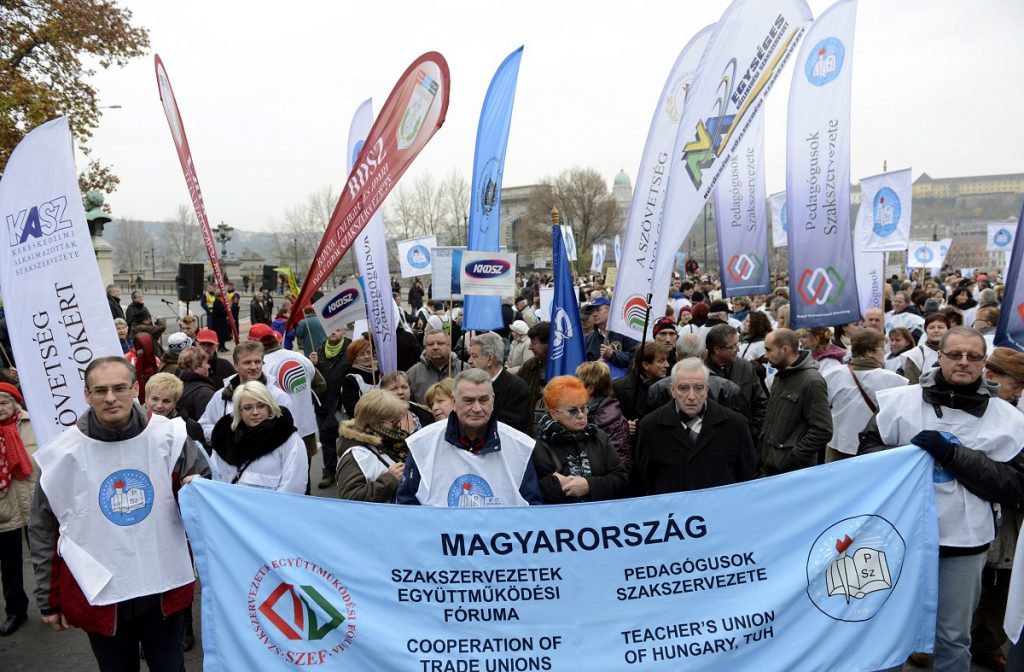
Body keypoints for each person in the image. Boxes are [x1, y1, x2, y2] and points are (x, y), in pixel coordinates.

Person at [859, 327, 1024, 672]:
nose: (964, 362)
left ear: (984, 364)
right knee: (889, 628)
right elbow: (867, 456)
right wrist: (903, 458)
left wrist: (953, 456)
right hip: (900, 537)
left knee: (952, 637)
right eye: (955, 354)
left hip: (964, 542)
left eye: (974, 356)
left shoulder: (1009, 420)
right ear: (940, 356)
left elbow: (1015, 487)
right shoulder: (900, 402)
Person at [29, 357, 209, 671]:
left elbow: (205, 507)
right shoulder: (61, 455)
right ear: (87, 394)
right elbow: (45, 530)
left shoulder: (171, 438)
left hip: (162, 592)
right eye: (100, 390)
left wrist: (196, 490)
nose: (111, 398)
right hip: (102, 596)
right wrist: (48, 598)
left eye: (119, 388)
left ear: (136, 389)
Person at [396, 368, 542, 507]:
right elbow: (407, 506)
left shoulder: (520, 447)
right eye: (468, 401)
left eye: (483, 400)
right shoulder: (423, 444)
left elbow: (532, 512)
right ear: (454, 401)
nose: (477, 408)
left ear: (493, 400)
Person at [142, 372, 208, 651]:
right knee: (147, 577)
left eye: (166, 401)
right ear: (144, 397)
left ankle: (184, 628)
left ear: (175, 403)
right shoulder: (134, 427)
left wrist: (193, 482)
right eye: (154, 399)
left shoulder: (186, 428)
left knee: (180, 573)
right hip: (143, 516)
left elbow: (200, 467)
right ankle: (148, 633)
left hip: (174, 516)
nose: (158, 405)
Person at [633, 358, 756, 495]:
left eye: (698, 388)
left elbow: (747, 477)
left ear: (707, 389)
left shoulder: (736, 425)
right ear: (673, 390)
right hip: (672, 513)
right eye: (683, 388)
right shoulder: (650, 427)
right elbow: (643, 481)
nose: (691, 396)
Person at [531, 376, 627, 503]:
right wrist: (556, 485)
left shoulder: (598, 436)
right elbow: (534, 493)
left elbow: (621, 479)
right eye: (573, 411)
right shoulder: (538, 446)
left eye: (583, 408)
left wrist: (589, 486)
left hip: (600, 519)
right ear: (554, 414)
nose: (581, 415)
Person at [820, 328, 907, 462]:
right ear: (870, 352)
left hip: (839, 447)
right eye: (882, 349)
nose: (885, 353)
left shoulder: (832, 374)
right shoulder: (895, 380)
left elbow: (822, 410)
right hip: (873, 451)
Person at [759, 328, 833, 475]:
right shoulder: (780, 375)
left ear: (785, 350)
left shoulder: (813, 381)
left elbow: (822, 430)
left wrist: (791, 457)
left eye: (769, 350)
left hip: (793, 472)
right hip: (770, 467)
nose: (765, 356)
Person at [210, 381, 306, 493]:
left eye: (261, 406)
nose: (255, 412)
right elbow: (215, 478)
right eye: (248, 408)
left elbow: (293, 486)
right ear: (239, 411)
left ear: (269, 407)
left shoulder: (290, 440)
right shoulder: (224, 439)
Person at [198, 341, 291, 443]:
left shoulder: (278, 396)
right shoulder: (221, 396)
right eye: (247, 362)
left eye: (257, 362)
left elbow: (288, 433)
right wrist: (225, 440)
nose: (253, 367)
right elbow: (205, 424)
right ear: (236, 366)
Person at [0, 383, 36, 637]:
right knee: (9, 564)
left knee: (46, 557)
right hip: (5, 507)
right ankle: (16, 610)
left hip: (35, 501)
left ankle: (54, 602)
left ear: (15, 403)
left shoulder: (33, 423)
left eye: (3, 401)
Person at [336, 389, 409, 502]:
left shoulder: (388, 443)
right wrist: (390, 479)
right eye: (394, 422)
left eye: (400, 420)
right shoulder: (354, 456)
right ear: (376, 423)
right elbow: (350, 498)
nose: (399, 426)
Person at [704, 323, 768, 439]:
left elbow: (760, 403)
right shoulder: (699, 372)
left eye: (738, 344)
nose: (738, 350)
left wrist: (753, 432)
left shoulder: (746, 367)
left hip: (744, 438)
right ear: (717, 349)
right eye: (732, 347)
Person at [575, 361, 632, 472]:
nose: (574, 386)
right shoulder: (587, 411)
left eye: (578, 382)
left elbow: (622, 463)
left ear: (590, 389)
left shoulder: (610, 421)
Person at [311, 327, 350, 489]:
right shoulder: (318, 352)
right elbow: (312, 380)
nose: (333, 332)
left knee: (348, 441)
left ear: (345, 332)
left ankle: (349, 474)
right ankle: (329, 472)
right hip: (323, 405)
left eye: (338, 329)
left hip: (343, 406)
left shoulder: (350, 351)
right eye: (330, 329)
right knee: (326, 441)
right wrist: (311, 365)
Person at [468, 331, 532, 429]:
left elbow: (509, 429)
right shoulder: (469, 384)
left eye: (474, 356)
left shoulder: (517, 389)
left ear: (489, 359)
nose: (469, 361)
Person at [406, 322, 468, 403]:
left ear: (449, 345)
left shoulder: (465, 370)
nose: (435, 347)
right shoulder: (412, 373)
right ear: (425, 347)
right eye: (430, 344)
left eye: (440, 343)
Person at [584, 297, 637, 375]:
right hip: (598, 384)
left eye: (598, 310)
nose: (594, 314)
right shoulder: (588, 338)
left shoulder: (625, 333)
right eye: (592, 311)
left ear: (610, 311)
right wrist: (595, 365)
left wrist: (613, 355)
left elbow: (636, 357)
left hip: (622, 383)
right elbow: (581, 364)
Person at [516, 321, 550, 436]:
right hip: (531, 435)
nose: (530, 347)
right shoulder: (528, 366)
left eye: (533, 342)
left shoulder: (568, 368)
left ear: (548, 343)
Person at [903, 312, 951, 384]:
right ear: (926, 331)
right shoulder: (915, 355)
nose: (936, 330)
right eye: (931, 327)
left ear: (948, 330)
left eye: (940, 327)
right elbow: (911, 384)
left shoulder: (957, 352)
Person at [176, 346, 218, 423]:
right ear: (195, 367)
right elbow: (209, 424)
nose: (209, 366)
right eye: (205, 363)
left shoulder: (178, 386)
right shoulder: (205, 393)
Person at [341, 339, 379, 419]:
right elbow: (351, 408)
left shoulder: (379, 373)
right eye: (361, 354)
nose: (366, 357)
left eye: (369, 353)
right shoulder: (351, 379)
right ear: (354, 358)